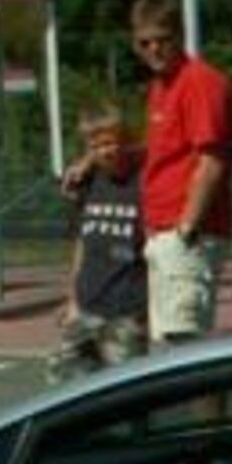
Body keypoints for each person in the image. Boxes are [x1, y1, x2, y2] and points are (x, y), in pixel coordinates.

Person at [134, 0, 232, 349]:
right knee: (173, 346)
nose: (154, 49)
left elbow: (212, 159)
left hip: (186, 234)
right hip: (162, 233)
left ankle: (211, 407)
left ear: (179, 36)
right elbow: (162, 153)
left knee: (189, 344)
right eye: (145, 42)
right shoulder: (161, 87)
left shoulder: (199, 82)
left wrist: (187, 227)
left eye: (162, 39)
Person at [45, 106, 146, 384]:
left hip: (127, 309)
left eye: (111, 142)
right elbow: (82, 244)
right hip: (87, 305)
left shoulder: (143, 179)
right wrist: (72, 299)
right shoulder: (89, 182)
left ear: (125, 140)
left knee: (124, 389)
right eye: (96, 146)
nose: (105, 151)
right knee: (63, 380)